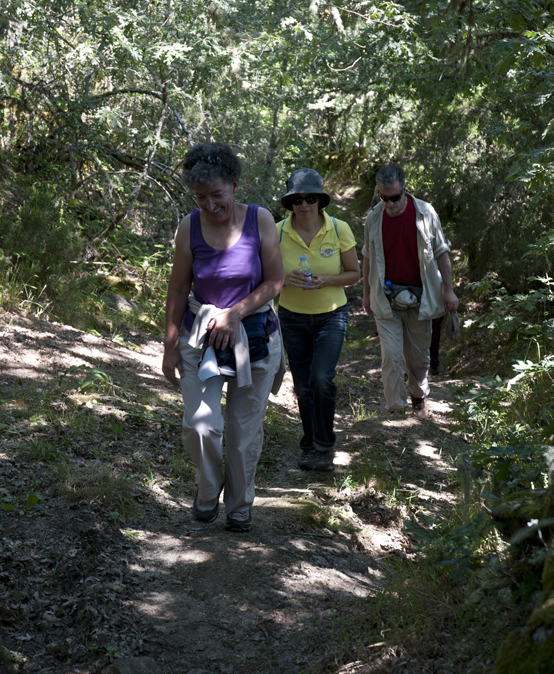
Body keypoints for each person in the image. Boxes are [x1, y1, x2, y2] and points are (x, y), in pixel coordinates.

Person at [162, 143, 285, 533]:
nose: (211, 205)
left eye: (217, 195)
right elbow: (179, 290)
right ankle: (207, 489)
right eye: (201, 198)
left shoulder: (260, 220)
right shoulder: (189, 226)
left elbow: (275, 281)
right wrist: (168, 346)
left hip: (255, 334)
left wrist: (236, 313)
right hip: (199, 335)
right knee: (201, 425)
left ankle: (239, 505)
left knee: (243, 429)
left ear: (234, 185)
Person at [276, 168, 360, 471]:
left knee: (322, 377)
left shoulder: (339, 229)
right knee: (302, 386)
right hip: (291, 317)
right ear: (290, 203)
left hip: (331, 314)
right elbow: (265, 276)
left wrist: (327, 279)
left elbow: (354, 274)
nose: (304, 205)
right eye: (297, 199)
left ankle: (324, 445)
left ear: (320, 200)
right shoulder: (277, 232)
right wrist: (286, 278)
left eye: (310, 198)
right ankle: (310, 445)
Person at [362, 164, 459, 418]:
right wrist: (365, 295)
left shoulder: (426, 213)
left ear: (405, 190)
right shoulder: (373, 218)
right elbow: (368, 259)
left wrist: (449, 291)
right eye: (384, 198)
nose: (390, 204)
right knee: (392, 356)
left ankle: (418, 396)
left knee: (418, 358)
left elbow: (441, 253)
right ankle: (395, 409)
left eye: (394, 197)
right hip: (386, 298)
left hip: (421, 298)